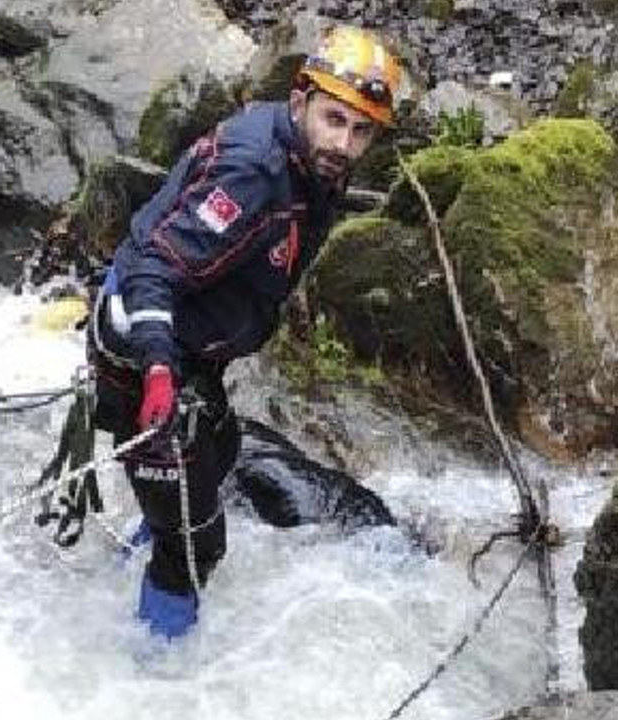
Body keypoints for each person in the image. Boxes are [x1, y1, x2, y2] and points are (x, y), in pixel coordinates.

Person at [88, 26, 401, 639]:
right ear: (301, 99)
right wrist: (155, 372)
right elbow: (156, 269)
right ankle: (150, 674)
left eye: (361, 131)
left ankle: (147, 538)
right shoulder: (252, 175)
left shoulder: (305, 162)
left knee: (223, 453)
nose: (344, 143)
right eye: (334, 119)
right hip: (144, 351)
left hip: (190, 351)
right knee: (197, 548)